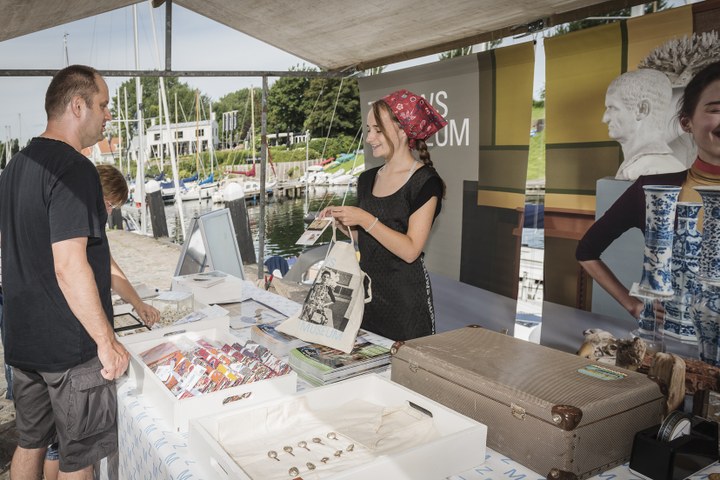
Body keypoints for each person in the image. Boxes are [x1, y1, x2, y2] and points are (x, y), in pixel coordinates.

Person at [0, 65, 129, 479]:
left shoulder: (15, 165)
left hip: (23, 342)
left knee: (30, 442)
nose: (108, 115)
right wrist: (106, 342)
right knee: (79, 459)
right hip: (70, 351)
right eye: (104, 105)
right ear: (78, 105)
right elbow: (70, 264)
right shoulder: (74, 168)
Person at [577, 60, 720, 320]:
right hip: (673, 343)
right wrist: (634, 306)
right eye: (716, 109)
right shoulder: (654, 189)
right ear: (686, 122)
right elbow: (586, 250)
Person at [323, 89, 447, 341]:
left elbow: (410, 249)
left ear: (403, 129)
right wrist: (344, 223)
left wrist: (364, 218)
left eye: (377, 130)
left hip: (405, 302)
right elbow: (367, 240)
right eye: (369, 129)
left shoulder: (425, 182)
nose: (370, 137)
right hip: (366, 296)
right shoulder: (367, 179)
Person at [97, 164, 161, 327]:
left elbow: (110, 268)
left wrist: (138, 303)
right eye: (109, 204)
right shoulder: (75, 227)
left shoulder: (96, 227)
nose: (110, 212)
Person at [604, 68, 687, 181]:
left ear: (642, 109)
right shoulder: (639, 167)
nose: (605, 119)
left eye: (612, 108)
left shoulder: (652, 171)